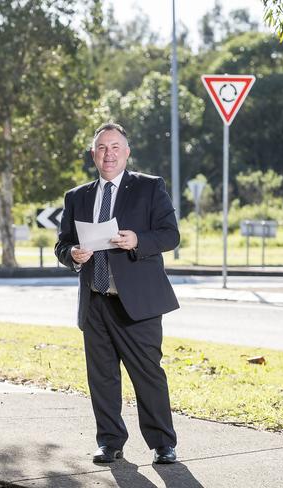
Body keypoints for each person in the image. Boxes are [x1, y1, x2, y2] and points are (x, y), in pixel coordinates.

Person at [55, 122, 179, 465]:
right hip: (95, 301)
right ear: (93, 154)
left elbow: (170, 235)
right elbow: (62, 244)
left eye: (114, 147)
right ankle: (110, 442)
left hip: (137, 304)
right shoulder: (77, 196)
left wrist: (138, 240)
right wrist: (72, 255)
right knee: (102, 377)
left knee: (148, 375)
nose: (108, 154)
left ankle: (162, 444)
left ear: (126, 152)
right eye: (101, 148)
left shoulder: (149, 188)